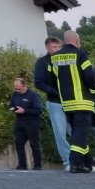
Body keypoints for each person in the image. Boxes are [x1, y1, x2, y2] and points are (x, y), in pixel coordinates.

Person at [48, 29, 95, 173]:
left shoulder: (54, 57)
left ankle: (86, 163)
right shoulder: (80, 53)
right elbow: (89, 76)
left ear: (64, 41)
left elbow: (52, 80)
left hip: (66, 102)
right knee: (80, 132)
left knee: (77, 132)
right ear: (77, 41)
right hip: (82, 101)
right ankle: (75, 163)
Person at [33, 36, 70, 169]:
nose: (57, 49)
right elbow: (38, 82)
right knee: (60, 132)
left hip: (71, 101)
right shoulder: (42, 63)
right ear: (47, 48)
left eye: (59, 47)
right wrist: (55, 92)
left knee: (76, 131)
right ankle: (68, 161)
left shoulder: (65, 61)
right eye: (54, 47)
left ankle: (81, 160)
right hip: (55, 102)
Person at [7, 77, 43, 170]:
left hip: (32, 123)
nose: (17, 90)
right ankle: (22, 165)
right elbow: (11, 105)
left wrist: (24, 111)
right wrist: (13, 109)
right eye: (15, 88)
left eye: (19, 88)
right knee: (18, 143)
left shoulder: (33, 96)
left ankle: (37, 165)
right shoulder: (15, 95)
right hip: (19, 122)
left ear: (24, 86)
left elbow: (38, 110)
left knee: (34, 144)